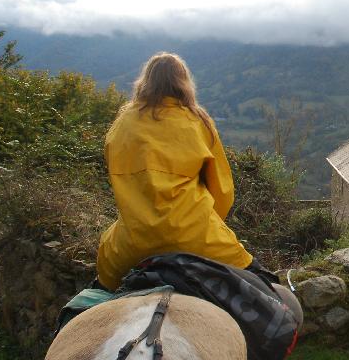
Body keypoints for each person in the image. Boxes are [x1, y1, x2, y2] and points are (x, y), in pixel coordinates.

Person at [96, 52, 254, 291]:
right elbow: (223, 191)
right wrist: (205, 224)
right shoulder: (197, 121)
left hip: (131, 244)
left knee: (98, 293)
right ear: (183, 82)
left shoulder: (122, 123)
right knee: (266, 286)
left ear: (146, 81)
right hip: (198, 239)